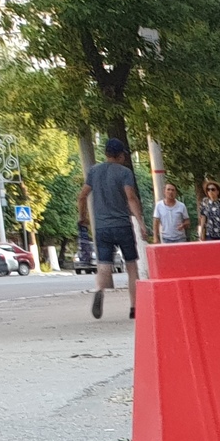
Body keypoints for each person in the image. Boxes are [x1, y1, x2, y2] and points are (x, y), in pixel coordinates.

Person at [77, 137, 146, 319]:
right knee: (131, 266)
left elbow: (82, 196)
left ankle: (99, 289)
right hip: (122, 225)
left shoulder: (93, 171)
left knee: (103, 267)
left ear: (106, 153)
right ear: (121, 155)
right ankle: (134, 307)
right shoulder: (125, 173)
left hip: (102, 228)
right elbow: (130, 197)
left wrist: (82, 217)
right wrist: (140, 223)